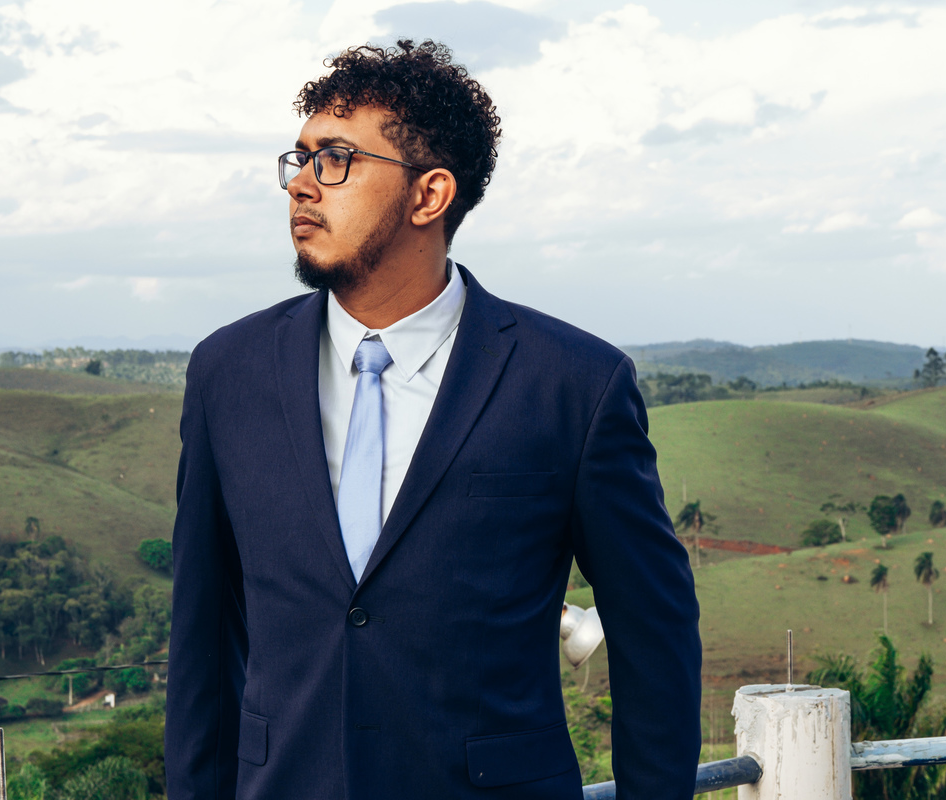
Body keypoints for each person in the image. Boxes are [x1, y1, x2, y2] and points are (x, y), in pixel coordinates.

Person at [165, 39, 701, 800]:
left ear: (429, 195)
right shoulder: (228, 372)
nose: (303, 185)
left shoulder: (574, 384)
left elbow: (654, 636)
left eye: (337, 159)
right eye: (301, 158)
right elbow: (203, 637)